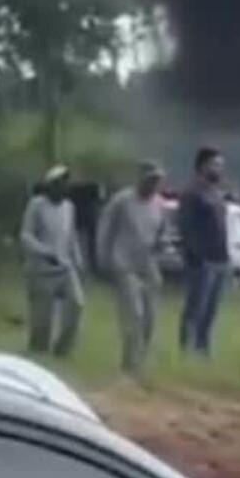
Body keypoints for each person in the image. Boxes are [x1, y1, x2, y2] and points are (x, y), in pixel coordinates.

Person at [96, 160, 167, 376]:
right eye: (150, 180)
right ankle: (129, 364)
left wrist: (160, 245)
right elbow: (104, 230)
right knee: (133, 315)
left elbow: (161, 231)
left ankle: (142, 361)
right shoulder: (122, 201)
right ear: (141, 179)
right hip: (124, 264)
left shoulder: (158, 204)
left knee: (150, 318)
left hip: (148, 264)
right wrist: (103, 259)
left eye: (157, 181)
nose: (154, 184)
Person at [19, 165, 85, 357]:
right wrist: (45, 252)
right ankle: (38, 354)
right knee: (43, 322)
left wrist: (78, 261)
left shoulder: (69, 207)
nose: (64, 188)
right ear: (51, 186)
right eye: (60, 184)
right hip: (41, 270)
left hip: (64, 268)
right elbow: (25, 236)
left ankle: (62, 350)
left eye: (66, 184)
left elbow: (71, 237)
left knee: (77, 305)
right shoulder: (36, 205)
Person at [177, 147, 230, 357]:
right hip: (202, 260)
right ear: (202, 166)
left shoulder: (216, 193)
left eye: (221, 165)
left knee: (211, 310)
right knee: (196, 308)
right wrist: (194, 254)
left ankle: (203, 349)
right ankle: (187, 349)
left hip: (220, 259)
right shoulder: (192, 193)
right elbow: (186, 226)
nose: (220, 169)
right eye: (215, 164)